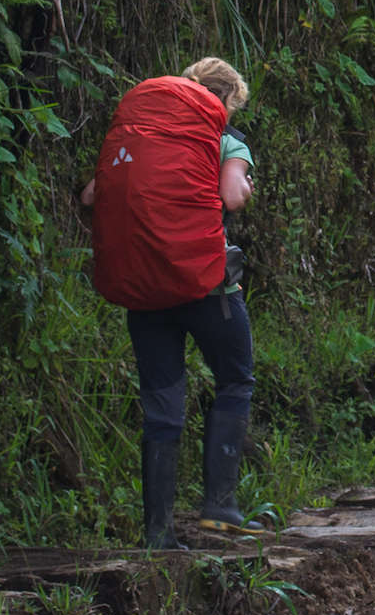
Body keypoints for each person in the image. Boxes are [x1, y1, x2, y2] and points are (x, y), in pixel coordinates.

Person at [81, 57, 261, 549]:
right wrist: (242, 183)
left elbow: (93, 194)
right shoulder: (225, 139)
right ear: (224, 102)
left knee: (162, 407)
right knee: (235, 379)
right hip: (207, 286)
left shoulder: (140, 135)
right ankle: (219, 507)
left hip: (144, 288)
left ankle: (158, 534)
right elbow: (231, 195)